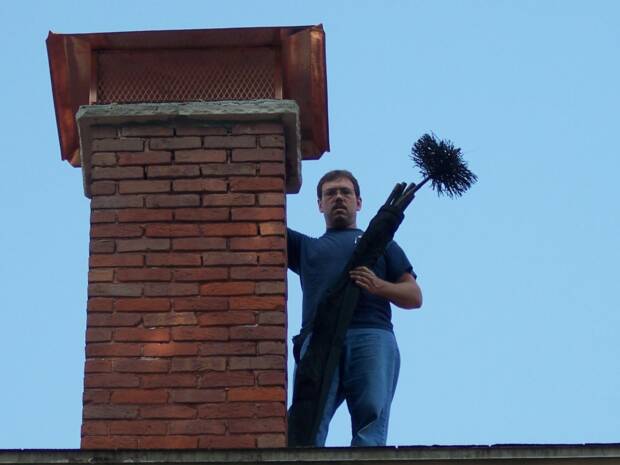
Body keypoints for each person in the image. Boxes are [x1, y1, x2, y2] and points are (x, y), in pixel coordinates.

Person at [287, 169, 423, 446]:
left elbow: (414, 296)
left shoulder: (382, 244)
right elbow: (260, 222)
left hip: (372, 332)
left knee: (370, 415)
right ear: (320, 205)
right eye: (330, 193)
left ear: (358, 202)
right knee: (310, 415)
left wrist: (378, 286)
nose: (338, 197)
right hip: (320, 335)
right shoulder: (306, 248)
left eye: (345, 192)